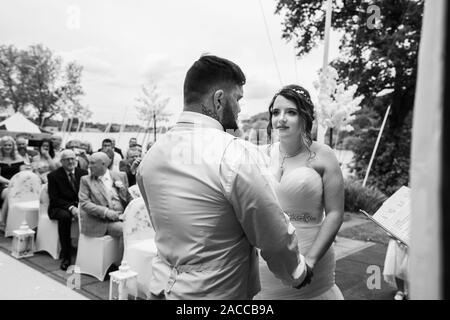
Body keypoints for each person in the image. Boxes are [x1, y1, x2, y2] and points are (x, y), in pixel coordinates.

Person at [136, 55, 312, 300]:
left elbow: (161, 225)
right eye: (237, 99)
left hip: (160, 288)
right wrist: (297, 271)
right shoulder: (233, 152)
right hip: (215, 294)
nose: (239, 108)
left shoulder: (151, 155)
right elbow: (272, 232)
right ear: (219, 99)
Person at [265, 84, 344, 299]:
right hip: (268, 261)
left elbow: (335, 213)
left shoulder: (323, 155)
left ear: (305, 117)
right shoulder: (262, 155)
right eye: (276, 112)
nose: (281, 118)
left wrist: (310, 260)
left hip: (311, 255)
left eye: (291, 112)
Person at [78, 152, 132, 248]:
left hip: (123, 217)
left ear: (103, 164)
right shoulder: (85, 180)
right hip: (101, 221)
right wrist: (106, 212)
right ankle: (122, 262)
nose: (89, 166)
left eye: (92, 163)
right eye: (89, 163)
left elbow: (128, 198)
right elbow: (84, 203)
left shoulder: (121, 176)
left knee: (143, 227)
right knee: (127, 230)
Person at [47, 149, 88, 270]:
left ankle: (86, 252)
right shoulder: (53, 176)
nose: (70, 161)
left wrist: (80, 207)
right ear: (62, 161)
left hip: (79, 205)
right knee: (65, 217)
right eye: (67, 159)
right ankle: (66, 256)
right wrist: (71, 208)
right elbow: (54, 199)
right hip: (59, 207)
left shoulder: (83, 173)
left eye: (72, 158)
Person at [0, 136, 25, 227]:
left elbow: (23, 173)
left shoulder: (18, 158)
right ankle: (3, 221)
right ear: (1, 146)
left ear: (13, 146)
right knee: (9, 192)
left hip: (17, 184)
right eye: (5, 145)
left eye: (10, 145)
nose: (7, 147)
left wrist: (16, 183)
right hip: (2, 185)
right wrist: (10, 182)